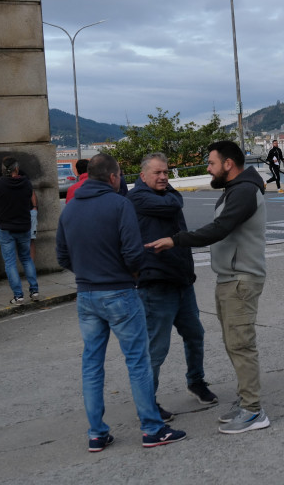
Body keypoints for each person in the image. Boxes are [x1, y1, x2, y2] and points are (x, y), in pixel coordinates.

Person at [56, 153, 186, 451]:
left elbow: (62, 256)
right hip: (119, 292)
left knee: (92, 365)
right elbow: (133, 253)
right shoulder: (120, 204)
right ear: (114, 177)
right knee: (137, 361)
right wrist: (129, 273)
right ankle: (152, 429)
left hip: (86, 295)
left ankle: (96, 433)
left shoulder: (70, 209)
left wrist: (88, 275)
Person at [146, 141, 271, 435]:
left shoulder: (244, 191)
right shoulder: (235, 190)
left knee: (241, 344)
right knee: (233, 343)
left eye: (212, 163)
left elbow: (219, 229)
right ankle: (246, 403)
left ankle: (254, 411)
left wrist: (176, 240)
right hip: (230, 277)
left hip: (241, 279)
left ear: (229, 164)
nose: (208, 168)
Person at [127, 153, 218, 423]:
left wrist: (172, 196)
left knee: (195, 334)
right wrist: (174, 198)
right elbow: (172, 205)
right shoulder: (137, 198)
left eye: (166, 172)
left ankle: (196, 381)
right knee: (157, 348)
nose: (164, 177)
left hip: (181, 279)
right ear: (143, 176)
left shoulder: (166, 194)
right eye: (157, 173)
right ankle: (148, 403)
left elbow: (175, 202)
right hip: (156, 283)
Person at [0, 156, 39, 304]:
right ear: (16, 168)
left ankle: (18, 295)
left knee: (10, 262)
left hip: (5, 227)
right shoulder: (26, 183)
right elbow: (29, 196)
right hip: (23, 226)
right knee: (26, 258)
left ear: (3, 170)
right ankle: (34, 291)